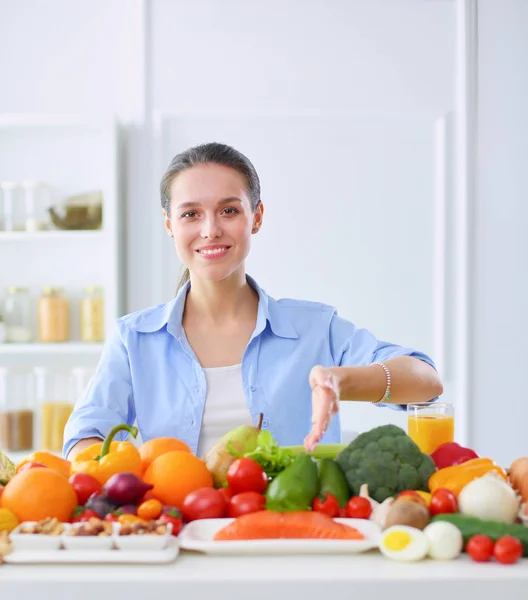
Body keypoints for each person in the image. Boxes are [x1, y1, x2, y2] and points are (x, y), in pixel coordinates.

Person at [63, 143, 443, 461]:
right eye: (190, 214)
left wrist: (341, 380)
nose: (210, 229)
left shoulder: (314, 328)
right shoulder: (134, 339)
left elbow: (426, 382)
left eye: (229, 210)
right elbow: (83, 436)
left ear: (256, 216)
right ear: (169, 225)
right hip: (176, 536)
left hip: (295, 534)